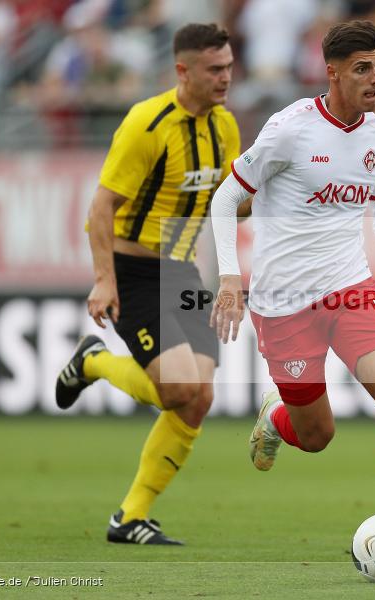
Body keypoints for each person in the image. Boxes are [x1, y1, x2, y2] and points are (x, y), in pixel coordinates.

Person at [209, 20, 375, 574]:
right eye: (362, 69)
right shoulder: (288, 131)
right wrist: (230, 279)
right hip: (282, 302)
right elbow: (226, 200)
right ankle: (277, 422)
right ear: (333, 72)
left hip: (349, 288)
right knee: (318, 435)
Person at [55, 23, 249, 545]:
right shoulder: (148, 121)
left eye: (229, 66)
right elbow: (100, 208)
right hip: (134, 268)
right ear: (182, 71)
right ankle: (92, 361)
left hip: (182, 269)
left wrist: (276, 186)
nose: (225, 77)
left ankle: (130, 517)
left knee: (198, 398)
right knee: (179, 388)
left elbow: (229, 201)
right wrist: (103, 281)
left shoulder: (225, 125)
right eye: (214, 69)